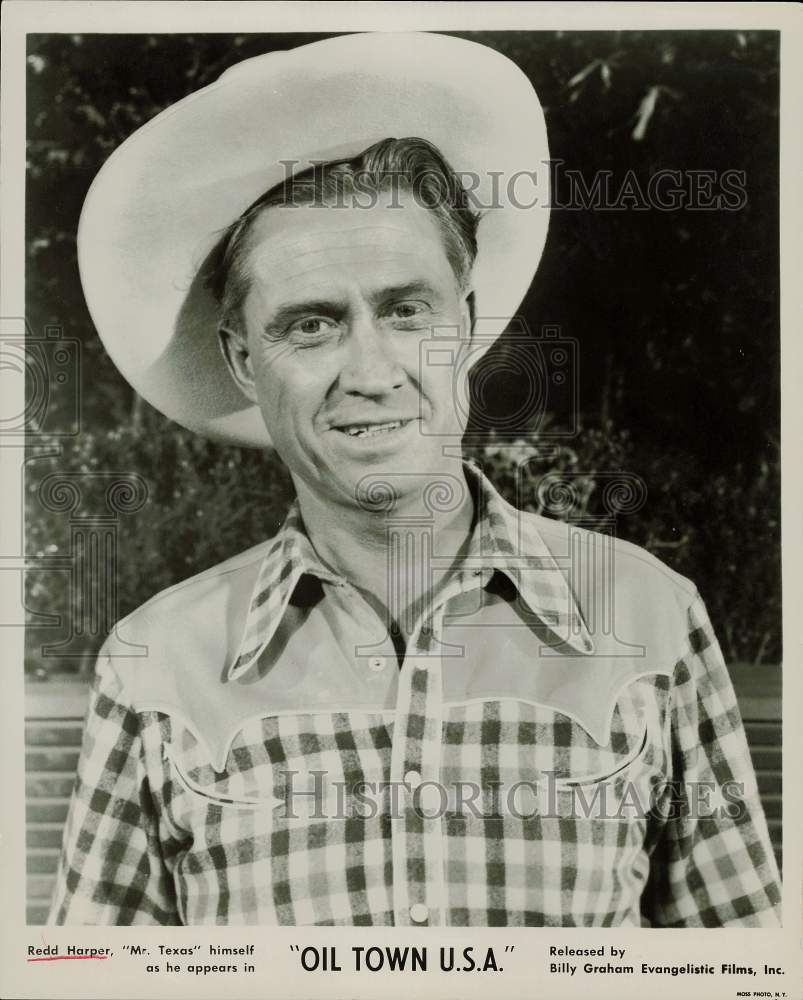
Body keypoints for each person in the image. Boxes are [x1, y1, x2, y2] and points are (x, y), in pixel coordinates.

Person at [49, 31, 781, 927]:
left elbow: (739, 966)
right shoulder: (155, 663)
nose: (371, 370)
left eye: (404, 311)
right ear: (244, 361)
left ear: (466, 327)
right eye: (310, 326)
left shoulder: (647, 616)